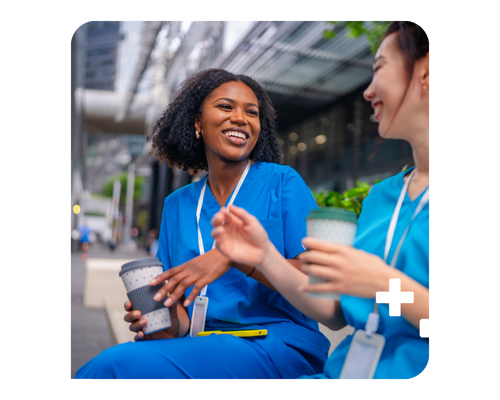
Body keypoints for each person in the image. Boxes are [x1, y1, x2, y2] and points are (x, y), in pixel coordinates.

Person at [72, 68, 329, 382]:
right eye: (225, 107)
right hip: (200, 344)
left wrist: (238, 258)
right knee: (126, 360)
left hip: (276, 343)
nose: (240, 118)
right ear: (196, 122)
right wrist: (158, 319)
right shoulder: (177, 205)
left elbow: (321, 277)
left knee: (112, 367)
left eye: (252, 112)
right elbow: (178, 319)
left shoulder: (283, 183)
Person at [211, 18, 432, 382]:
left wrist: (384, 282)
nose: (367, 90)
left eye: (379, 68)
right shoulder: (382, 196)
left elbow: (467, 330)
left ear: (426, 70)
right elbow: (335, 312)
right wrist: (265, 257)